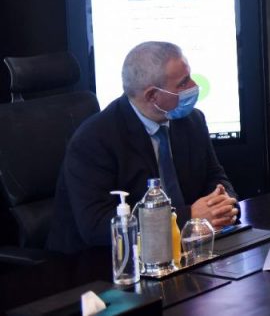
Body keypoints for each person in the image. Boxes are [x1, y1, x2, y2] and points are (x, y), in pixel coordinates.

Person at [48, 41, 238, 253]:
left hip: (184, 249)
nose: (194, 86)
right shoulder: (94, 140)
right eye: (183, 83)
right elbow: (96, 226)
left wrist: (223, 204)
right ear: (152, 96)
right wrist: (188, 217)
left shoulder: (192, 120)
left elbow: (215, 176)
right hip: (103, 261)